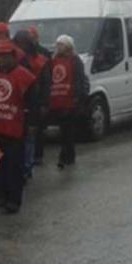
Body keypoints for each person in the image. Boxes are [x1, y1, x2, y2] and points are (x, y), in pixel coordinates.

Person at [0, 40, 38, 213]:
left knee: (14, 165)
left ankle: (14, 198)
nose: (3, 60)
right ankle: (0, 194)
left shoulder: (25, 77)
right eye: (0, 56)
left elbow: (33, 103)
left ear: (14, 57)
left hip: (15, 128)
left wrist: (32, 124)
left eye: (6, 56)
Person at [49, 35, 89, 169]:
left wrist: (78, 98)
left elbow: (80, 80)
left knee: (67, 130)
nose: (58, 47)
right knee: (64, 130)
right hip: (57, 100)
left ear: (68, 47)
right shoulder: (53, 60)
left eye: (61, 45)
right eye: (57, 45)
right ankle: (67, 155)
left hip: (70, 101)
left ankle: (65, 156)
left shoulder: (75, 61)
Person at [14, 29, 50, 177]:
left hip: (32, 101)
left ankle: (27, 165)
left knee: (30, 135)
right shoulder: (13, 58)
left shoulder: (40, 59)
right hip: (16, 103)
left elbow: (46, 83)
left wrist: (43, 103)